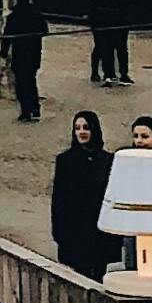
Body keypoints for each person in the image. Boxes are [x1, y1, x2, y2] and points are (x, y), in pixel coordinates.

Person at [46, 110, 113, 281]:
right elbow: (59, 199)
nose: (81, 132)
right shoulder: (66, 160)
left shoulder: (107, 160)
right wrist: (59, 232)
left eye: (86, 128)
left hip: (100, 231)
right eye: (77, 128)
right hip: (75, 231)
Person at [0, 0, 48, 125]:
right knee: (31, 81)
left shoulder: (13, 17)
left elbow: (7, 37)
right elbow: (44, 30)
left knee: (21, 83)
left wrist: (4, 53)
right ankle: (34, 108)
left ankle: (26, 110)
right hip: (33, 53)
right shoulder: (36, 15)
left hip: (19, 54)